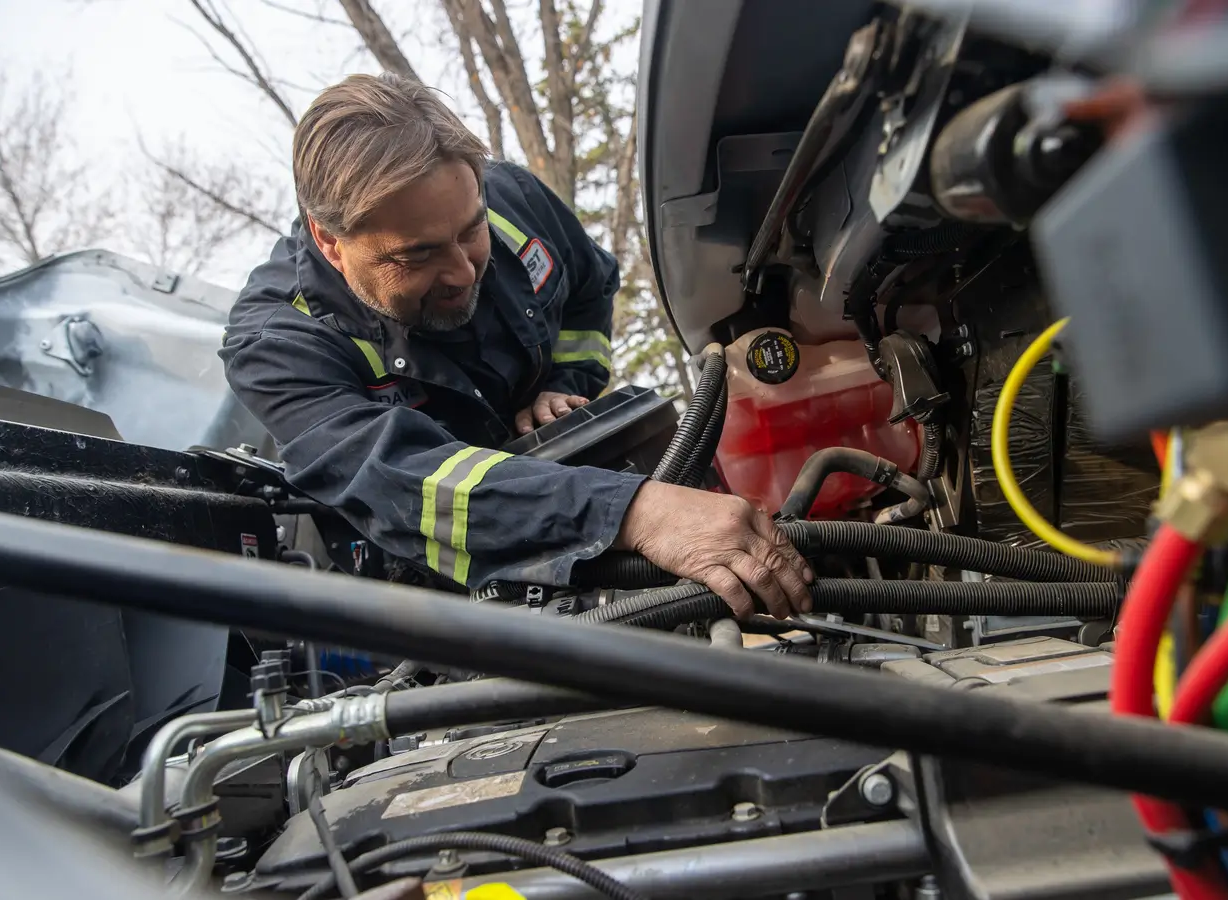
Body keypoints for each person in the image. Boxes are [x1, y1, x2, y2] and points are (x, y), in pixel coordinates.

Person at [220, 73, 812, 619]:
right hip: (451, 601)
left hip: (591, 509)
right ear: (330, 241)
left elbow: (589, 289)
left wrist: (565, 383)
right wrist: (635, 511)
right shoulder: (276, 345)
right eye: (417, 254)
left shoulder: (514, 200)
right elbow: (406, 486)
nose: (463, 271)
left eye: (470, 230)